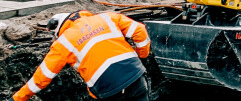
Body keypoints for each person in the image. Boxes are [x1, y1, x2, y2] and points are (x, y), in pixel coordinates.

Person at [11, 10, 151, 101]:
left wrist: (17, 98)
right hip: (136, 75)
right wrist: (141, 58)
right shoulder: (107, 17)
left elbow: (41, 77)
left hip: (108, 88)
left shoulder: (64, 41)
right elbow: (140, 31)